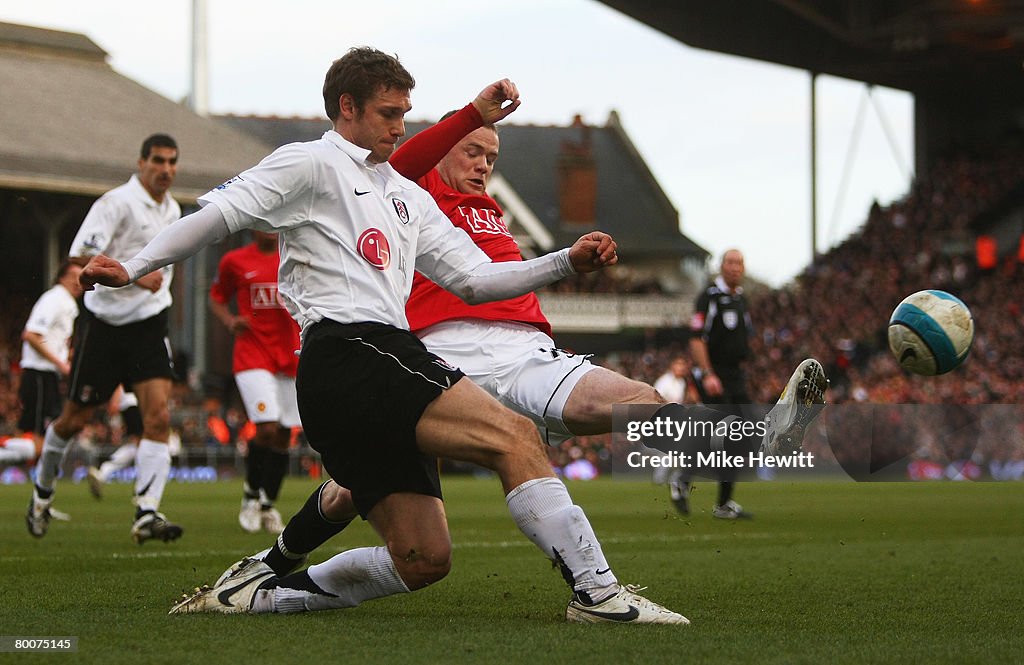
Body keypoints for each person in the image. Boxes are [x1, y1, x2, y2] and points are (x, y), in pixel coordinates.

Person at [186, 74, 827, 620]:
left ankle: (755, 441)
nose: (483, 161)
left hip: (528, 355)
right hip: (445, 354)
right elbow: (393, 168)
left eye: (491, 153)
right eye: (471, 149)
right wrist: (467, 115)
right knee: (358, 482)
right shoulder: (406, 192)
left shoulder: (491, 213)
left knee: (637, 398)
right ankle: (272, 568)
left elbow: (501, 278)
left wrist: (568, 261)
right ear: (438, 148)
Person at [81, 48, 687, 625]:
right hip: (350, 350)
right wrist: (133, 266)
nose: (398, 128)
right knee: (516, 435)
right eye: (388, 114)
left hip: (370, 370)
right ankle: (599, 594)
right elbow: (217, 216)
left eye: (404, 115)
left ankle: (258, 594)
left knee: (424, 560)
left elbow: (475, 279)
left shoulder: (405, 196)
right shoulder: (309, 163)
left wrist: (564, 263)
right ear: (347, 107)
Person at [27, 134, 184, 544]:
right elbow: (81, 256)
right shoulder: (116, 203)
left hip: (150, 322)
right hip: (105, 326)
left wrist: (154, 281)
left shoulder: (173, 209)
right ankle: (42, 492)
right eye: (158, 161)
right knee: (72, 420)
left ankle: (146, 513)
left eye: (172, 162)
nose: (166, 169)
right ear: (141, 162)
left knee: (158, 419)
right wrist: (135, 270)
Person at [209, 230, 301, 534]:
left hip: (290, 357)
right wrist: (229, 320)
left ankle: (267, 504)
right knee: (266, 427)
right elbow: (217, 296)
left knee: (283, 434)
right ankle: (250, 497)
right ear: (252, 226)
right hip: (252, 355)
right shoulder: (235, 261)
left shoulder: (297, 255)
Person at [672, 248, 756, 519]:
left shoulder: (741, 299)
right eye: (730, 262)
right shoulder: (709, 297)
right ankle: (683, 480)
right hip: (715, 374)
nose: (734, 267)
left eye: (739, 263)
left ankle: (721, 502)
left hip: (735, 376)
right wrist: (707, 374)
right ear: (721, 266)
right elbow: (697, 337)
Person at [0, 261, 83, 471]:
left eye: (81, 278)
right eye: (74, 277)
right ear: (61, 277)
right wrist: (61, 363)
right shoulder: (55, 299)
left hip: (48, 375)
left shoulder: (68, 304)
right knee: (38, 439)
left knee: (44, 437)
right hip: (39, 374)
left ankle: (41, 489)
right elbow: (31, 335)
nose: (78, 283)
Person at [86, 387, 144, 498]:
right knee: (142, 444)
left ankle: (103, 472)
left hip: (131, 403)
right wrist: (115, 400)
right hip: (134, 402)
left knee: (138, 445)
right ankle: (142, 487)